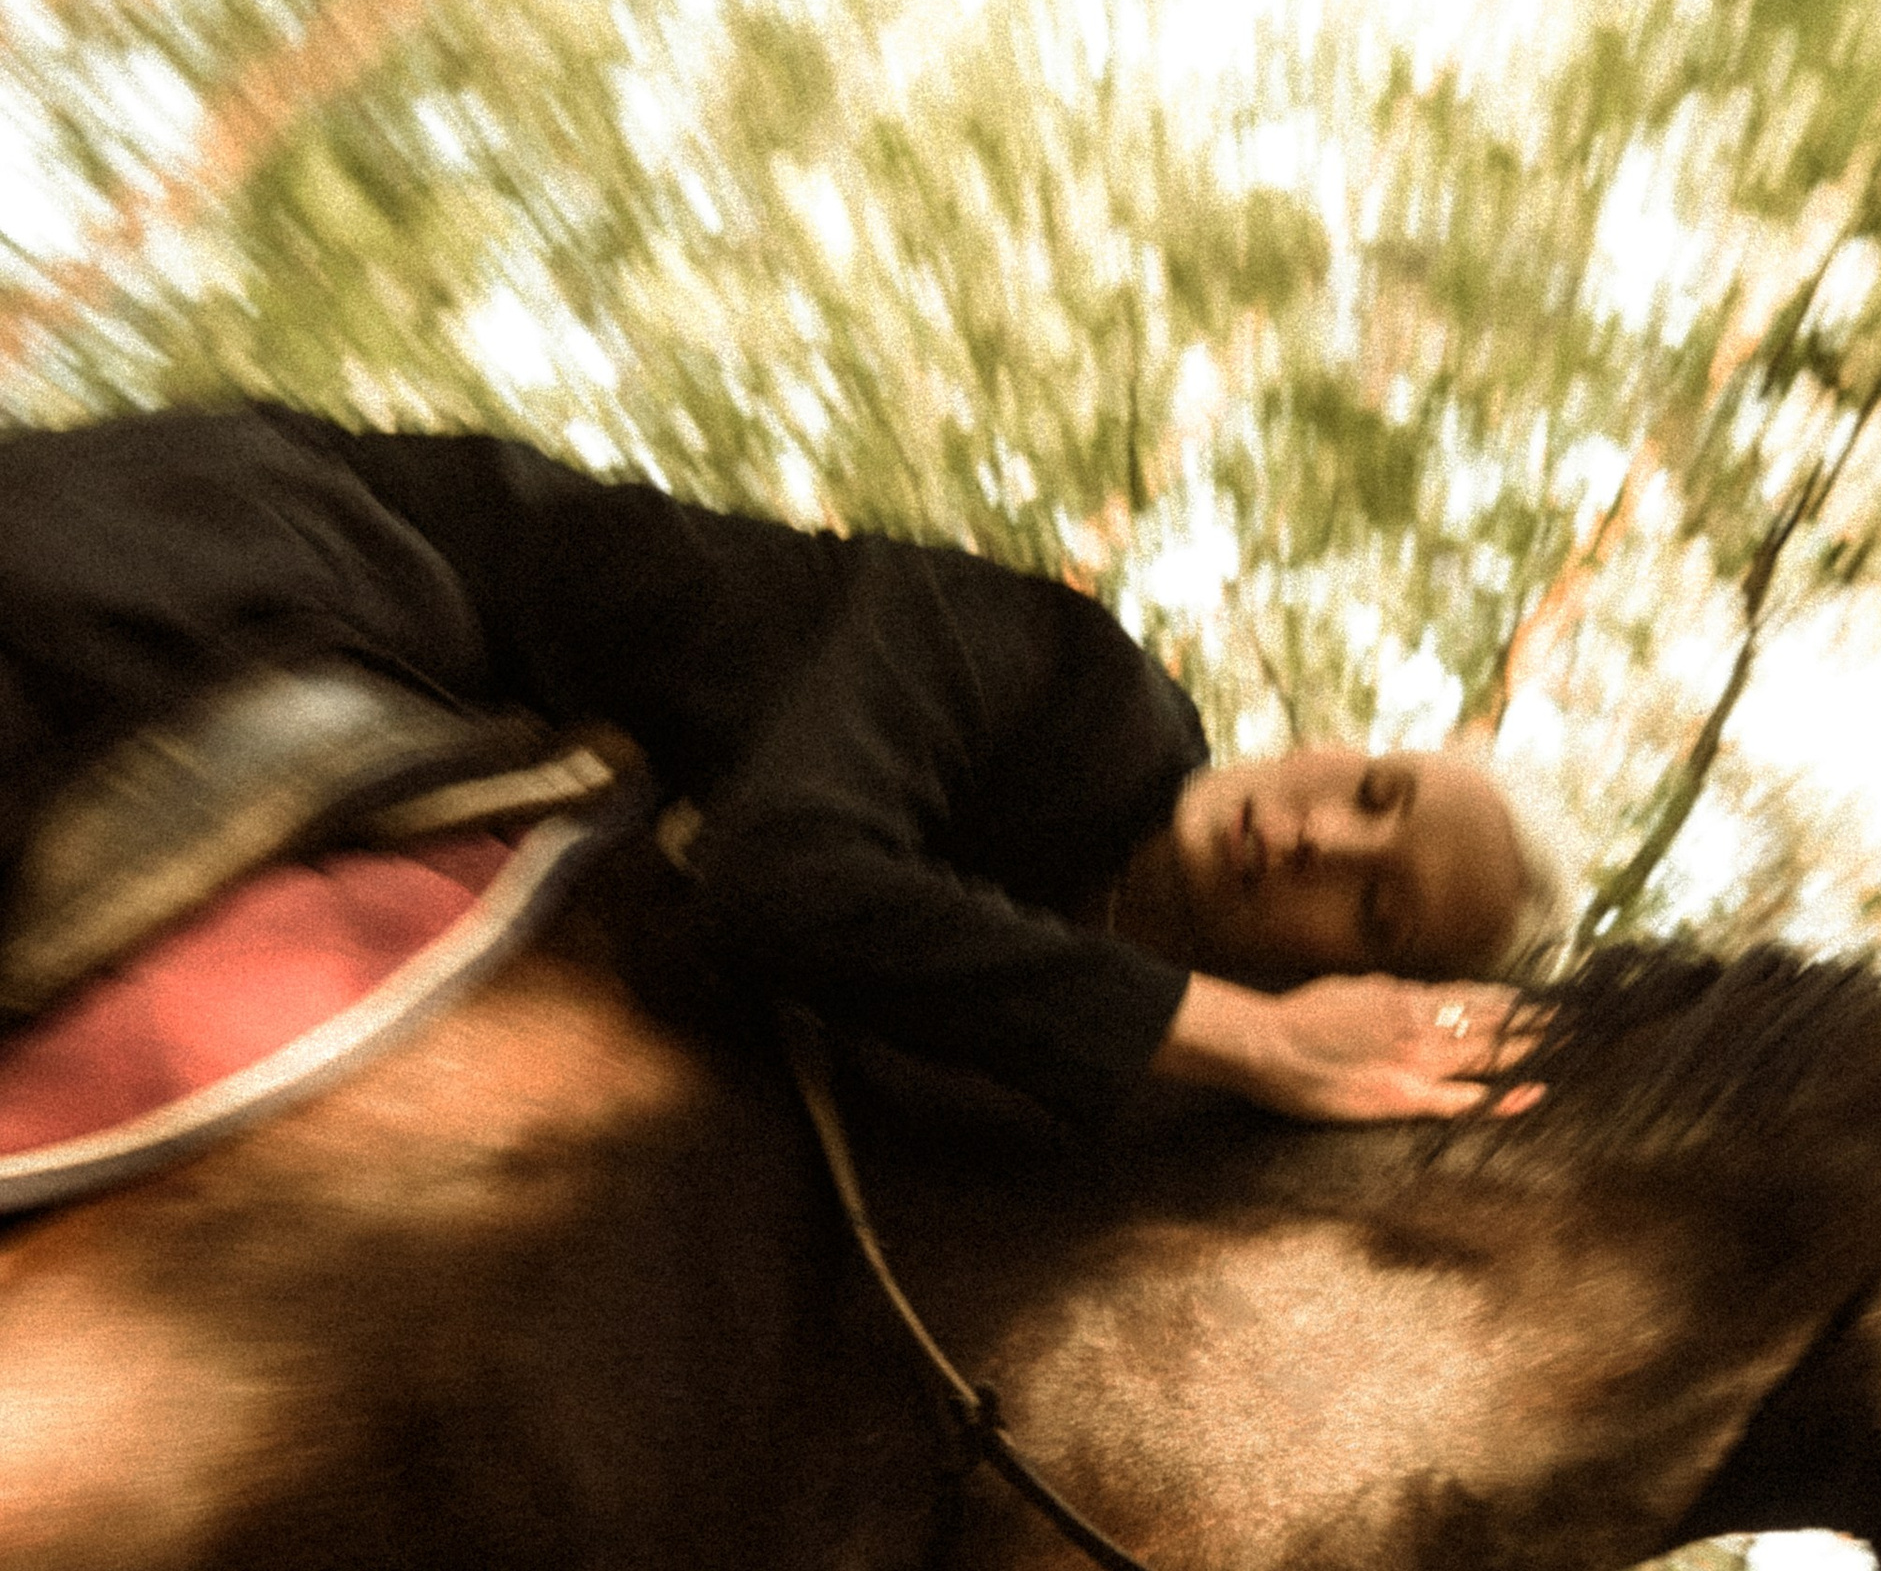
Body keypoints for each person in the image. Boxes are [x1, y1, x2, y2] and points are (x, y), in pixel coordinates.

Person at [0, 404, 1560, 1126]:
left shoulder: (1044, 1026)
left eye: (1372, 911)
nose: (1323, 844)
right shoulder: (1063, 676)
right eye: (1377, 797)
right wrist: (1250, 1043)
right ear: (1345, 747)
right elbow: (786, 870)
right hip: (344, 558)